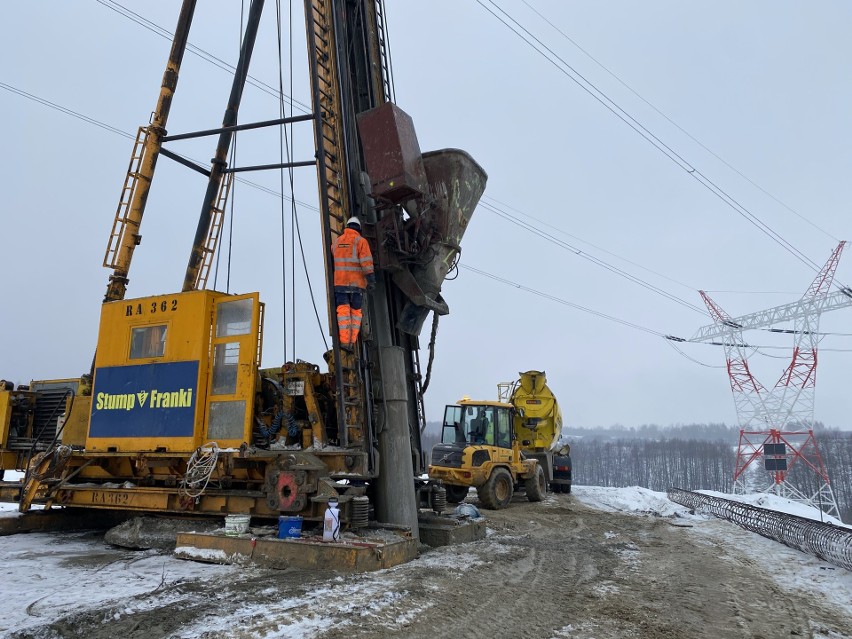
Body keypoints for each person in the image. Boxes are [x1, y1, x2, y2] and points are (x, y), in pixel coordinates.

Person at [331, 216, 375, 350]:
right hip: (357, 285)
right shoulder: (361, 241)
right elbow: (366, 263)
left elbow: (334, 256)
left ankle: (344, 342)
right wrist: (371, 279)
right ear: (358, 228)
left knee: (343, 312)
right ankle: (352, 341)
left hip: (340, 284)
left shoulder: (337, 242)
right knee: (355, 313)